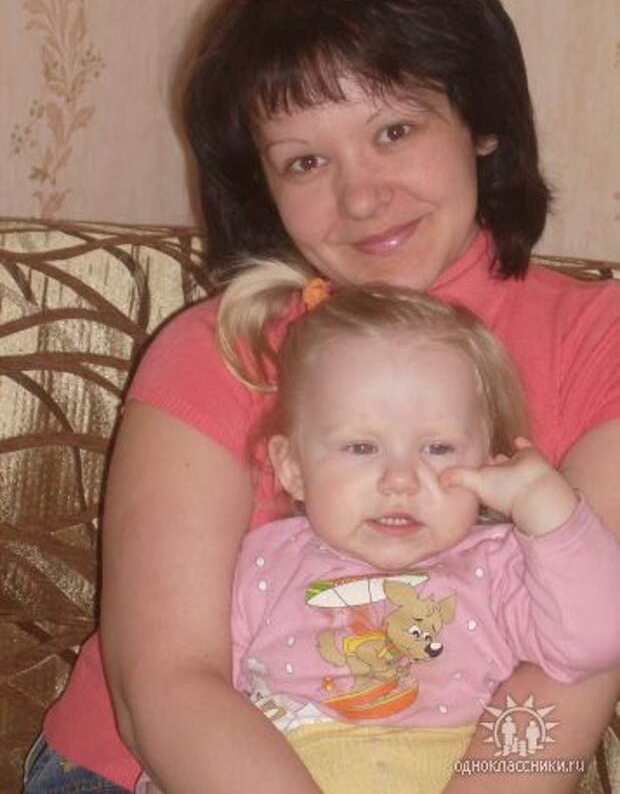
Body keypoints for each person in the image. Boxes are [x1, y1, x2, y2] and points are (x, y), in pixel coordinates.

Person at [23, 0, 620, 792]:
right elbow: (165, 677)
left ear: (481, 121)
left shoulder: (598, 337)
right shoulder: (215, 347)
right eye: (304, 161)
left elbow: (578, 662)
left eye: (394, 131)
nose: (362, 198)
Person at [133, 269, 620, 794]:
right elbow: (195, 714)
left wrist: (549, 513)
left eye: (437, 448)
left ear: (487, 460)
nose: (400, 480)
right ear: (292, 467)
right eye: (361, 448)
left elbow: (596, 643)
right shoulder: (262, 565)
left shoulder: (502, 567)